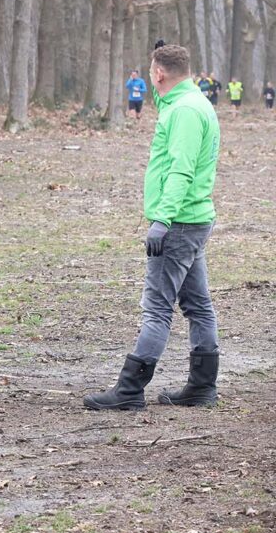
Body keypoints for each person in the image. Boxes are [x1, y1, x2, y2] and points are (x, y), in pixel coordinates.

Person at [84, 44, 220, 411]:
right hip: (193, 218)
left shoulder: (186, 112)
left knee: (157, 308)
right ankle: (202, 387)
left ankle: (129, 389)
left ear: (158, 74)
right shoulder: (190, 103)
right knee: (197, 305)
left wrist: (162, 218)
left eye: (150, 70)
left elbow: (181, 168)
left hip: (178, 221)